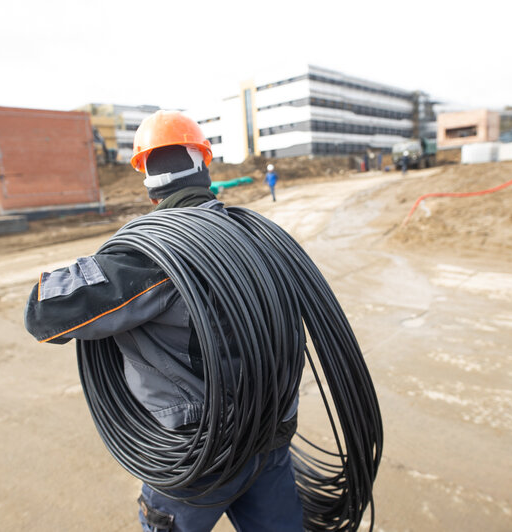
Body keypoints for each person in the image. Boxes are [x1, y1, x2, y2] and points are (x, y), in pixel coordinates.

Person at [24, 110, 304, 532]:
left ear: (148, 182)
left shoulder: (148, 258)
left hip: (201, 457)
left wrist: (97, 263)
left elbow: (43, 311)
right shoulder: (259, 238)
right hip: (270, 435)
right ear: (204, 167)